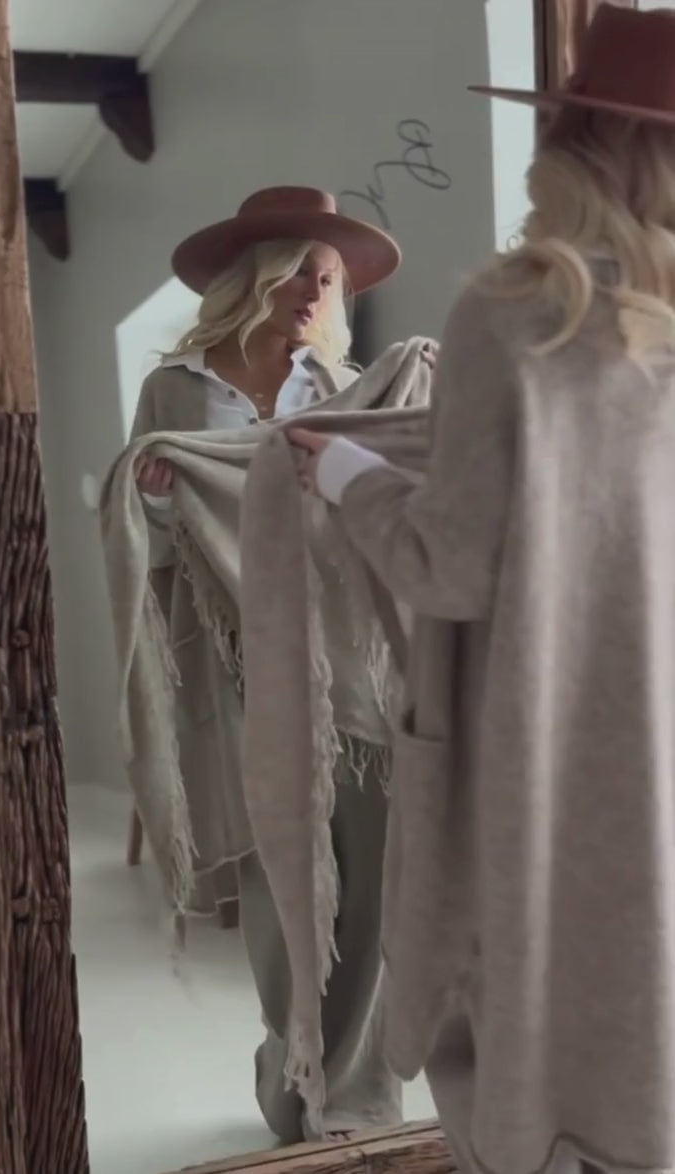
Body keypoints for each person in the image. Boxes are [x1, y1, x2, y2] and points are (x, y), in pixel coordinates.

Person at [290, 6, 675, 1174]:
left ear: (575, 141)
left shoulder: (516, 313)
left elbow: (444, 566)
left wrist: (345, 469)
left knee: (533, 1049)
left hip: (550, 758)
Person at [128, 186, 404, 1141]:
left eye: (328, 280)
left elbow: (380, 517)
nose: (315, 294)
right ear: (254, 277)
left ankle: (360, 1098)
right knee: (286, 887)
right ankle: (295, 1076)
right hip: (235, 658)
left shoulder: (347, 389)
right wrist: (159, 498)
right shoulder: (174, 392)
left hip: (350, 663)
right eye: (299, 273)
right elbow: (148, 540)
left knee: (370, 878)